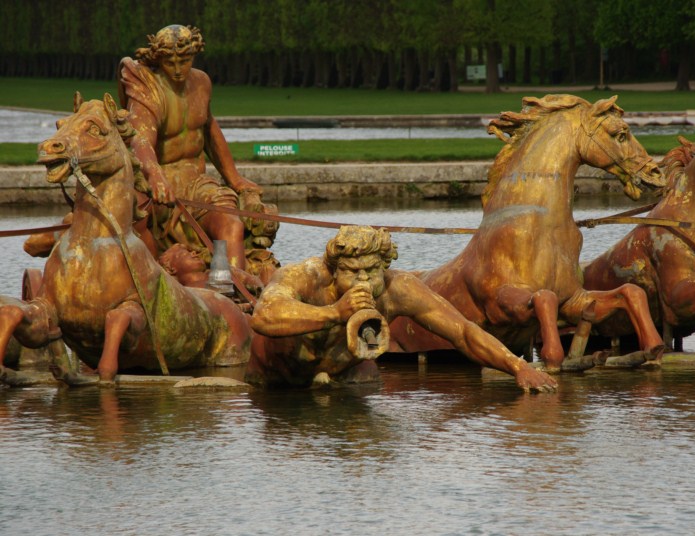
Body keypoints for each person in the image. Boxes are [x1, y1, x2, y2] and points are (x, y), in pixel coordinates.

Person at [248, 225, 558, 392]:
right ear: (333, 269)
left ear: (384, 267)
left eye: (371, 271)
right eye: (352, 272)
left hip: (334, 381)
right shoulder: (306, 276)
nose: (363, 281)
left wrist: (518, 367)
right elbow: (264, 316)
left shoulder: (397, 288)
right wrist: (335, 313)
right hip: (273, 380)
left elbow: (463, 331)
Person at [118, 24, 277, 273]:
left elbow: (209, 130)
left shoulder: (202, 82)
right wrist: (155, 175)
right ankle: (154, 279)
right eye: (170, 62)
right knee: (137, 216)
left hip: (197, 184)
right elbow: (140, 139)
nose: (178, 70)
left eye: (184, 61)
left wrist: (234, 179)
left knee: (231, 225)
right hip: (159, 185)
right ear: (158, 59)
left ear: (194, 55)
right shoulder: (148, 89)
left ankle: (232, 286)